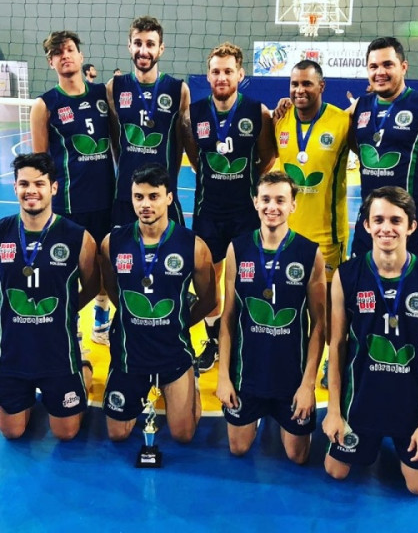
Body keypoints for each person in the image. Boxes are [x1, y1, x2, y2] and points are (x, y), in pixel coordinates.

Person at [322, 186, 418, 494]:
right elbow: (337, 346)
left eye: (395, 220)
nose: (386, 228)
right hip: (361, 401)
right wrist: (334, 411)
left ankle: (402, 435)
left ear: (411, 226)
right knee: (335, 471)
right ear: (366, 225)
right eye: (378, 220)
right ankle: (369, 434)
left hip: (409, 406)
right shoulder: (347, 276)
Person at [100, 163, 216, 443]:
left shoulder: (193, 246)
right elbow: (113, 291)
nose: (145, 205)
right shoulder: (112, 243)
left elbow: (209, 299)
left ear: (169, 198)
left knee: (183, 434)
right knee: (117, 434)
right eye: (139, 197)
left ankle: (189, 380)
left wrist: (180, 321)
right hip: (130, 354)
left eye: (154, 196)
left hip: (172, 352)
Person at [216, 171, 326, 463]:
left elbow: (319, 325)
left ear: (293, 205)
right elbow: (228, 318)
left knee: (297, 456)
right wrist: (224, 377)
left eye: (280, 200)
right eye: (265, 199)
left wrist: (308, 385)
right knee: (238, 448)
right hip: (248, 374)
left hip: (290, 377)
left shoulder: (309, 253)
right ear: (255, 202)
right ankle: (257, 416)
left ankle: (279, 414)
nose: (272, 207)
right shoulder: (238, 249)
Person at [183, 42, 276, 372]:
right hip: (208, 211)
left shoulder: (257, 112)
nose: (221, 77)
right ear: (208, 76)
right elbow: (195, 158)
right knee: (208, 282)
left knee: (245, 281)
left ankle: (243, 339)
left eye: (228, 71)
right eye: (215, 71)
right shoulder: (193, 114)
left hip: (245, 213)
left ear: (240, 74)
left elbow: (268, 157)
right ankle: (213, 340)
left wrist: (244, 181)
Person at [0, 153, 100, 440]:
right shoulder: (3, 232)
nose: (31, 190)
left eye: (39, 184)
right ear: (15, 187)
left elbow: (92, 286)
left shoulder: (78, 237)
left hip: (58, 352)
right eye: (24, 184)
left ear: (54, 188)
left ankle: (83, 369)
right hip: (14, 351)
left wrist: (66, 309)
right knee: (12, 432)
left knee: (66, 433)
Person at [30, 30, 116, 346]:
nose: (64, 55)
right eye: (57, 53)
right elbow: (40, 163)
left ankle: (101, 323)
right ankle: (71, 327)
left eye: (69, 50)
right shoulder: (45, 105)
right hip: (68, 205)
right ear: (51, 62)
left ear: (81, 56)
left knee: (105, 269)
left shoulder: (103, 95)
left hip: (106, 201)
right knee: (67, 270)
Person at [273, 60, 351, 387]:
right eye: (294, 84)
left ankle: (335, 361)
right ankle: (292, 361)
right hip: (288, 237)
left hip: (328, 237)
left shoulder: (343, 122)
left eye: (307, 83)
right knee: (289, 305)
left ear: (322, 86)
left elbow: (373, 151)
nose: (299, 90)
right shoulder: (280, 120)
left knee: (328, 310)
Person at [350, 36, 418, 262]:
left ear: (403, 67)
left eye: (388, 64)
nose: (380, 72)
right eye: (373, 66)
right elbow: (331, 129)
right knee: (362, 282)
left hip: (411, 224)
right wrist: (285, 107)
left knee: (412, 284)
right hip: (370, 222)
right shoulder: (359, 107)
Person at [106, 15, 190, 227]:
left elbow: (179, 143)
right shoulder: (114, 87)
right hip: (126, 193)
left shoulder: (178, 89)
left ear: (161, 48)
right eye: (138, 43)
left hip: (162, 193)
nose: (143, 51)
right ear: (129, 46)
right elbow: (115, 138)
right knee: (120, 246)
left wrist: (170, 179)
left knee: (172, 247)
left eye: (150, 44)